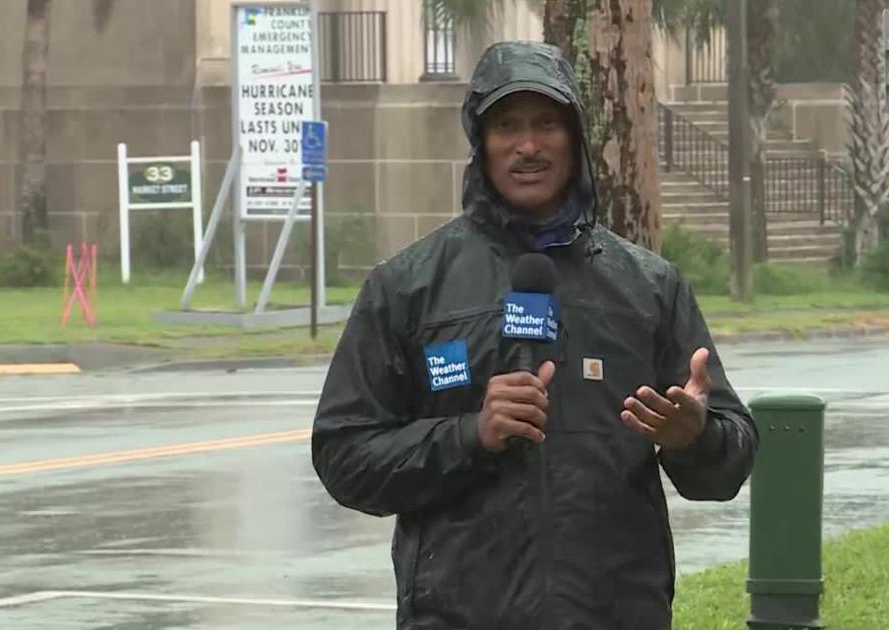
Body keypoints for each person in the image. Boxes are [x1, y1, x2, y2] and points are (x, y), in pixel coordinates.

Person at [312, 40, 758, 630]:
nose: (528, 145)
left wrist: (694, 437)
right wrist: (470, 434)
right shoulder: (408, 288)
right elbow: (344, 454)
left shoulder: (648, 287)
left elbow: (730, 461)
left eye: (547, 123)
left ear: (574, 138)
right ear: (481, 144)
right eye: (507, 126)